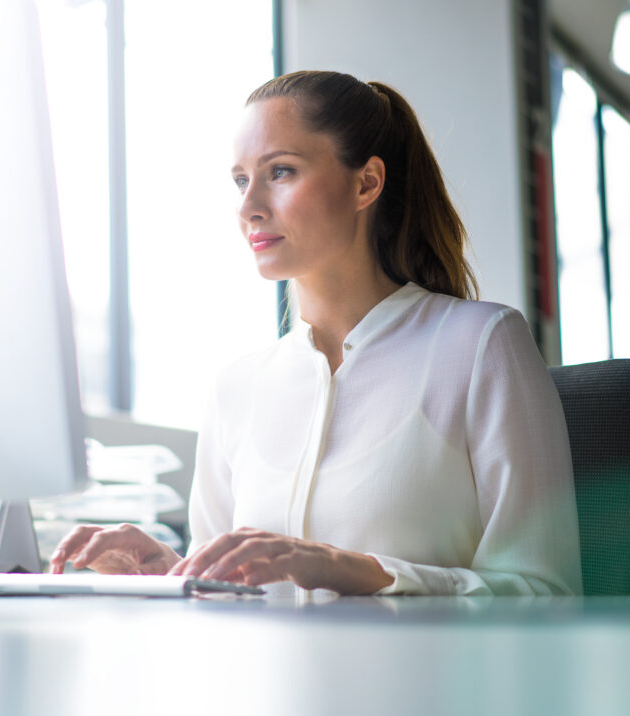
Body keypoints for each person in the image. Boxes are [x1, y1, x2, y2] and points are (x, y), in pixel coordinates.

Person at [49, 70, 583, 596]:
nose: (248, 206)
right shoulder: (236, 386)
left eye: (280, 172)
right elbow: (220, 599)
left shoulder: (481, 344)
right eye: (240, 180)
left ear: (366, 182)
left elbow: (547, 593)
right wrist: (171, 573)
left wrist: (361, 572)